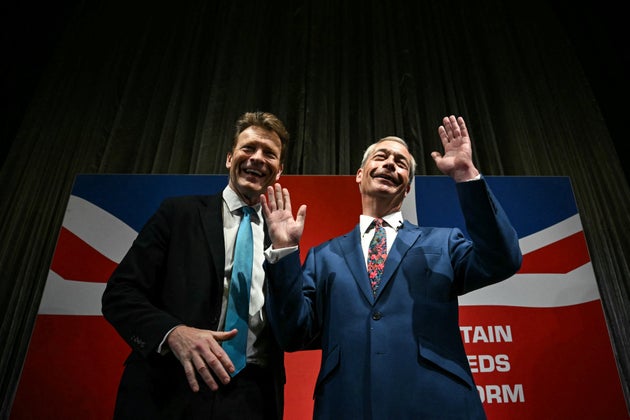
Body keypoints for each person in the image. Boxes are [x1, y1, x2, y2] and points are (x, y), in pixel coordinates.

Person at [260, 115, 523, 419]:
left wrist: (466, 175)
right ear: (360, 175)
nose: (390, 165)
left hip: (439, 404)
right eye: (381, 157)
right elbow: (293, 333)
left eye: (401, 163)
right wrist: (284, 250)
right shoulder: (324, 256)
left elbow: (503, 259)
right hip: (346, 406)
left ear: (408, 187)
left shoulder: (444, 242)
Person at [101, 111, 290, 419]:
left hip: (252, 400)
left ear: (279, 171)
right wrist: (174, 333)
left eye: (269, 153)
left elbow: (291, 323)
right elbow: (120, 294)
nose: (257, 158)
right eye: (248, 148)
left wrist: (286, 250)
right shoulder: (179, 213)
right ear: (230, 158)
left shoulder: (281, 237)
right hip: (169, 389)